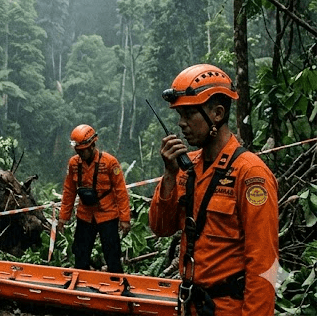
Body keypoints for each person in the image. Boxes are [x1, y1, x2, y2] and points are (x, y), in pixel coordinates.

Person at [149, 64, 279, 315]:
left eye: (189, 114)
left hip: (229, 308)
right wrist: (169, 175)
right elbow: (161, 227)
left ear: (217, 114)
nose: (182, 124)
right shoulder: (187, 169)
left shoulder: (250, 174)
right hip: (191, 305)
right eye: (180, 115)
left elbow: (264, 263)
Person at [58, 124, 131, 274]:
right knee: (80, 253)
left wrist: (125, 219)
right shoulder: (74, 163)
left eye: (83, 150)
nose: (80, 154)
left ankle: (117, 282)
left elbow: (121, 191)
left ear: (92, 146)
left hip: (108, 214)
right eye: (77, 151)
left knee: (112, 254)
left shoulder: (110, 162)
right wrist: (63, 218)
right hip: (85, 214)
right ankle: (80, 281)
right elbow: (69, 191)